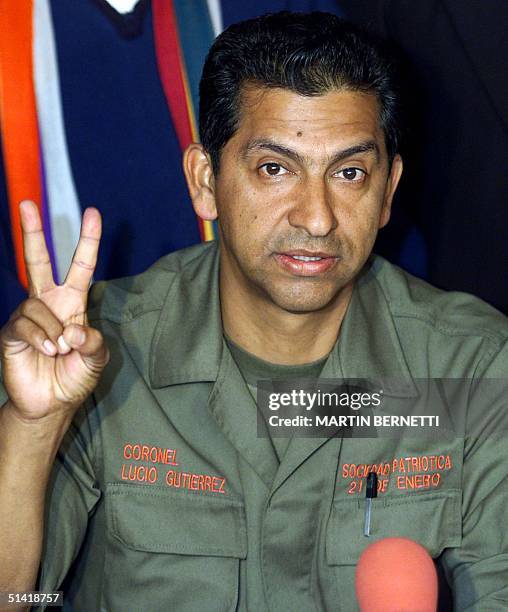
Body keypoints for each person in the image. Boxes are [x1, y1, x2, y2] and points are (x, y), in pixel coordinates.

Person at [0, 11, 507, 612]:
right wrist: (32, 427)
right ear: (205, 180)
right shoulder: (100, 354)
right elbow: (18, 598)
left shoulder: (466, 367)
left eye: (349, 173)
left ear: (388, 191)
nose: (316, 217)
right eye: (275, 169)